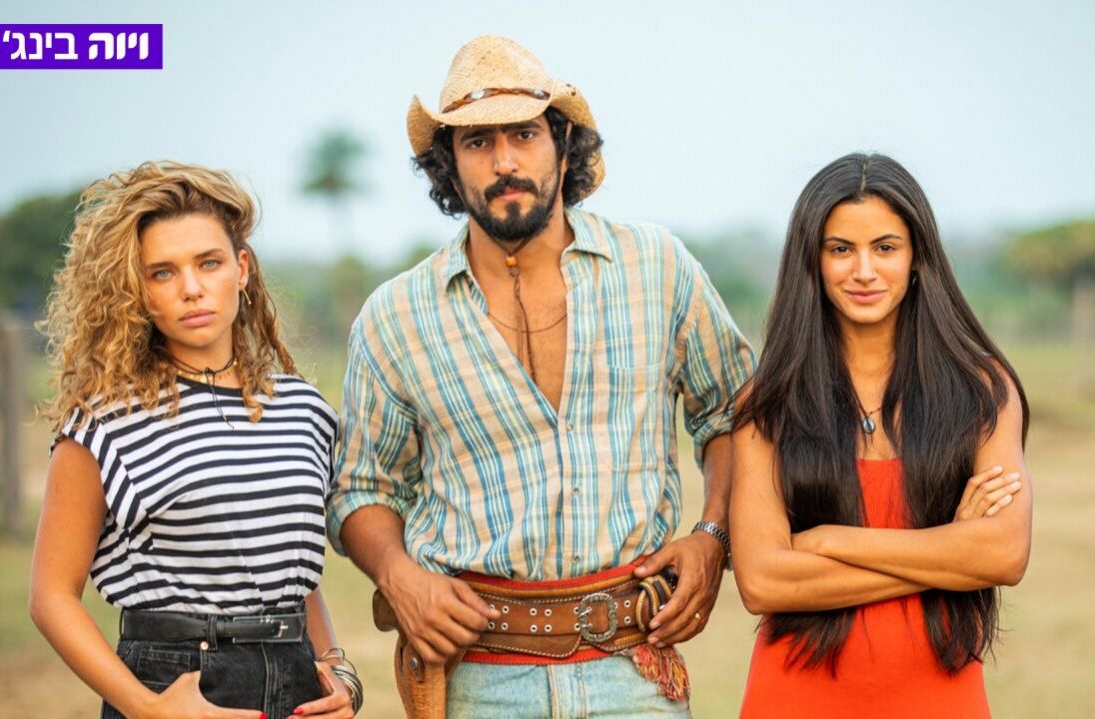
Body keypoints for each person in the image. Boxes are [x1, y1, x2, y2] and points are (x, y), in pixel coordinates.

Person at [329, 35, 755, 718]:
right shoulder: (396, 317)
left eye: (523, 134)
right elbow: (360, 487)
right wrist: (398, 573)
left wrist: (713, 534)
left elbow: (732, 411)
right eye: (476, 142)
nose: (504, 161)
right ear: (448, 165)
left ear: (562, 142)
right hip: (477, 673)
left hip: (633, 665)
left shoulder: (657, 268)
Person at [29, 161, 360, 719]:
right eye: (162, 273)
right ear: (138, 292)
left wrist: (338, 671)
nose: (191, 289)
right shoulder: (104, 423)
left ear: (242, 268)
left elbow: (289, 573)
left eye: (209, 263)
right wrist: (146, 708)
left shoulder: (303, 409)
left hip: (296, 678)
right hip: (172, 682)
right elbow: (51, 598)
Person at [731, 153, 1032, 718]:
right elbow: (764, 581)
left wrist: (828, 540)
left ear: (917, 257)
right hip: (794, 697)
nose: (864, 270)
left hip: (940, 698)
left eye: (886, 247)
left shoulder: (982, 391)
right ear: (812, 260)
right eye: (841, 249)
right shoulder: (766, 403)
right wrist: (948, 550)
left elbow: (1003, 554)